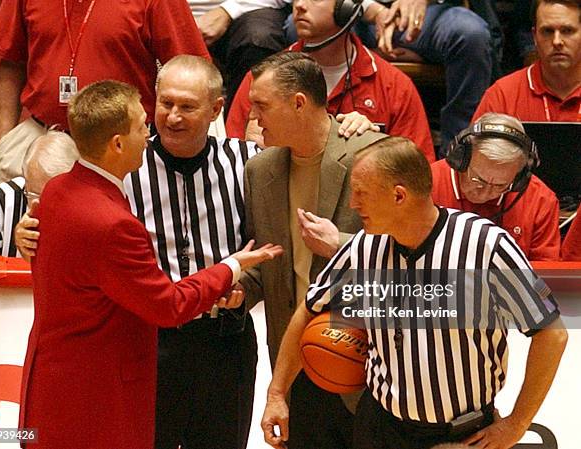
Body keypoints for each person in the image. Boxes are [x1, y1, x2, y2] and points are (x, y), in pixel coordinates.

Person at [15, 55, 376, 449]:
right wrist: (28, 232)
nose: (170, 118)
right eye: (163, 104)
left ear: (216, 110)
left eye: (187, 106)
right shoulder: (123, 168)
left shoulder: (251, 163)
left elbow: (278, 225)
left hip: (225, 342)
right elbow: (71, 215)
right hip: (154, 343)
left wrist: (354, 126)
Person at [19, 80, 282, 449]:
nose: (151, 133)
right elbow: (169, 305)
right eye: (143, 125)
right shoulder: (112, 223)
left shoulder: (56, 192)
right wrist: (232, 266)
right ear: (117, 143)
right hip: (98, 397)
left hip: (58, 384)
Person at [262, 136, 568, 449]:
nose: (354, 203)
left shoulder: (485, 245)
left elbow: (552, 334)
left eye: (361, 193)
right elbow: (309, 310)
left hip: (461, 435)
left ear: (399, 196)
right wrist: (276, 393)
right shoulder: (363, 248)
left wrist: (516, 424)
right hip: (380, 428)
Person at [240, 52, 386, 449]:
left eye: (262, 106)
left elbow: (414, 257)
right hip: (295, 363)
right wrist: (242, 289)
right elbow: (270, 263)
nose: (253, 119)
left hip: (369, 363)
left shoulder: (373, 156)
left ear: (299, 103)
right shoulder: (259, 169)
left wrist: (341, 244)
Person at [0, 0, 209, 184]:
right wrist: (5, 138)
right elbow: (11, 62)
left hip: (117, 144)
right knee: (21, 234)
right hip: (40, 135)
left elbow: (192, 72)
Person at [225, 0, 435, 161]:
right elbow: (231, 162)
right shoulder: (261, 80)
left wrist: (376, 145)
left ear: (347, 8)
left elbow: (419, 173)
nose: (300, 6)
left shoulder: (394, 85)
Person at [360, 0, 493, 156]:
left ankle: (457, 158)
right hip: (356, 16)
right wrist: (373, 10)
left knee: (471, 34)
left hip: (428, 13)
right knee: (329, 20)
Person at [431, 113, 560, 261]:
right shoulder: (426, 185)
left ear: (519, 179)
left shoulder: (540, 200)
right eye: (478, 179)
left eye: (500, 185)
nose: (485, 193)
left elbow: (545, 274)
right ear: (460, 160)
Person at [0, 130, 78, 257]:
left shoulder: (94, 209)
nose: (46, 206)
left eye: (58, 197)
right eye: (36, 196)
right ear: (26, 181)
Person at [473, 0, 580, 122]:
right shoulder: (502, 96)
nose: (557, 41)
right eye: (547, 31)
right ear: (534, 36)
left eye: (567, 31)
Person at [191, 0, 289, 114]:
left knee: (259, 37)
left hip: (245, 11)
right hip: (175, 12)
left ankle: (244, 124)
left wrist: (228, 10)